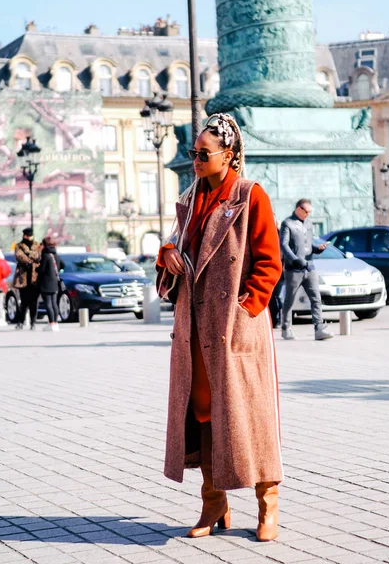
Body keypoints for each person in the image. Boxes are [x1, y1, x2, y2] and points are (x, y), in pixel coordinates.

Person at [158, 113, 283, 542]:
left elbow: (269, 262)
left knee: (252, 415)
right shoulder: (191, 199)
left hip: (234, 329)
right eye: (193, 152)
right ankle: (214, 503)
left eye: (203, 153)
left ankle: (268, 506)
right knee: (204, 412)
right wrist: (168, 252)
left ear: (228, 155)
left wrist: (247, 310)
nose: (195, 158)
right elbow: (177, 242)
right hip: (195, 326)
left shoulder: (250, 195)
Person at [280, 199, 334, 341]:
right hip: (294, 270)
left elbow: (309, 244)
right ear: (298, 209)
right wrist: (296, 260)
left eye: (310, 212)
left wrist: (318, 249)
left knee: (316, 298)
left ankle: (319, 329)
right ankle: (286, 328)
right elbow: (284, 246)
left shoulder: (309, 224)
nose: (308, 215)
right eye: (306, 212)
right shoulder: (288, 223)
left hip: (310, 268)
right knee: (289, 300)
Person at [13, 228, 41, 330]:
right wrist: (30, 260)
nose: (27, 237)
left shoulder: (38, 245)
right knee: (24, 302)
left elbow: (39, 256)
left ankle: (33, 322)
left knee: (34, 302)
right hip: (23, 279)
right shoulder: (19, 246)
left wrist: (28, 254)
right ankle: (21, 322)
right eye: (26, 236)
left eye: (29, 236)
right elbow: (19, 256)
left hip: (35, 279)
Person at [38, 237, 61, 332]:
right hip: (54, 282)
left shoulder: (45, 255)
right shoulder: (56, 255)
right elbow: (62, 265)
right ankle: (55, 322)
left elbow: (41, 269)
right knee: (54, 303)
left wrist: (37, 269)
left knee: (48, 304)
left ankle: (51, 323)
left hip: (46, 282)